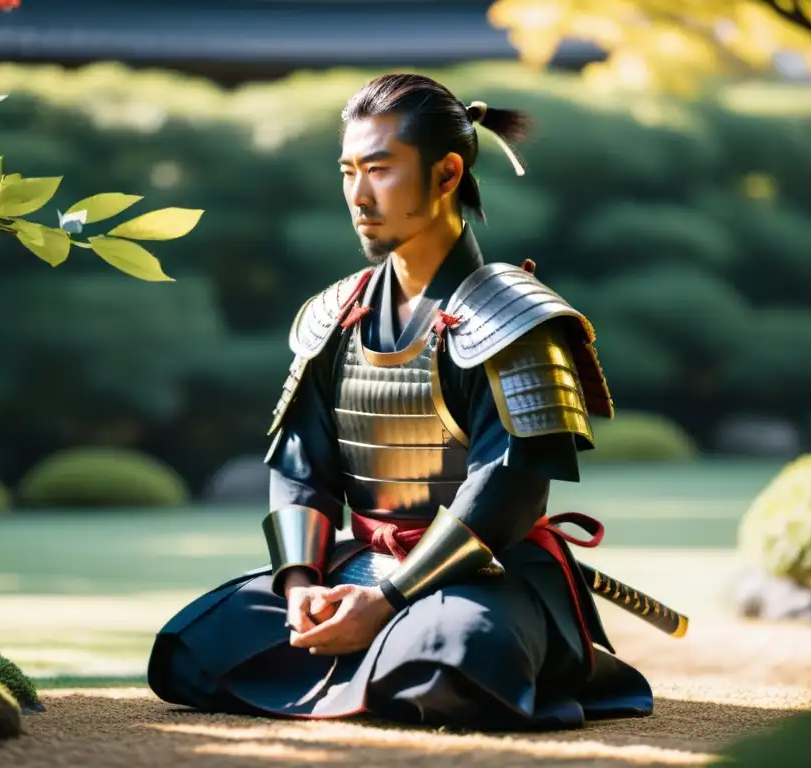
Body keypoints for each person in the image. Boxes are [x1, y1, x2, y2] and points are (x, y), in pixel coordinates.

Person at [147, 73, 654, 731]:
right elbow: (302, 467)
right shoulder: (338, 312)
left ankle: (383, 657)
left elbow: (510, 490)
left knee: (458, 658)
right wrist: (302, 588)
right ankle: (370, 660)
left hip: (482, 575)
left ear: (446, 175)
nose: (358, 194)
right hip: (357, 568)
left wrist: (385, 602)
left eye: (380, 170)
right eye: (349, 170)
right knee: (188, 648)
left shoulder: (512, 317)